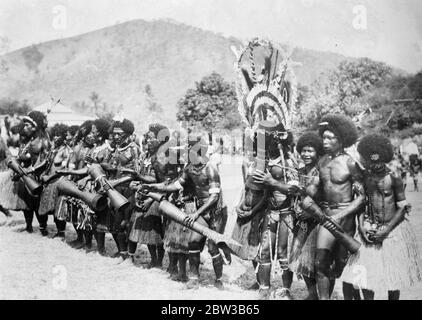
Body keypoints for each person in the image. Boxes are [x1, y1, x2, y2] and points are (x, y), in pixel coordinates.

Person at [341, 134, 422, 299]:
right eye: (372, 162)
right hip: (369, 229)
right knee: (364, 277)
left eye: (379, 162)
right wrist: (361, 226)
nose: (375, 166)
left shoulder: (394, 177)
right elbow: (362, 203)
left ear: (384, 158)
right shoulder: (366, 177)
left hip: (393, 231)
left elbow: (402, 208)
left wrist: (386, 231)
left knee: (393, 278)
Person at [144, 133, 229, 290]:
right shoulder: (190, 168)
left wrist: (196, 213)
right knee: (193, 242)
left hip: (216, 212)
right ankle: (194, 279)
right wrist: (154, 187)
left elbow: (214, 198)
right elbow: (175, 186)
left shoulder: (210, 170)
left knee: (212, 247)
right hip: (203, 212)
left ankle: (218, 280)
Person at [301, 114, 365, 300]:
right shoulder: (322, 162)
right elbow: (313, 189)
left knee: (341, 267)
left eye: (330, 138)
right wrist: (303, 191)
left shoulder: (351, 163)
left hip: (345, 219)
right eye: (324, 137)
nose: (325, 141)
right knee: (320, 263)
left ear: (341, 140)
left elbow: (361, 198)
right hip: (325, 217)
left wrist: (340, 215)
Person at [251, 123, 299, 299]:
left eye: (269, 140)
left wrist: (272, 182)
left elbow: (294, 189)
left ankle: (286, 289)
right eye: (263, 141)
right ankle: (264, 287)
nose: (267, 144)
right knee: (264, 250)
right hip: (269, 212)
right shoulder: (261, 162)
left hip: (287, 213)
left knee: (283, 253)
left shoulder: (288, 161)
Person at [0, 111, 51, 234]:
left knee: (38, 204)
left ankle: (43, 228)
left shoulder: (43, 141)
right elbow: (20, 155)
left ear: (35, 127)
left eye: (27, 125)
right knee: (26, 203)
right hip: (24, 174)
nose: (24, 127)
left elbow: (45, 161)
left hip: (37, 176)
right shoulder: (25, 141)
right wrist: (17, 165)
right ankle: (28, 226)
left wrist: (32, 170)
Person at [288, 132, 324, 300]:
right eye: (303, 150)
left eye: (310, 151)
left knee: (318, 263)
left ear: (318, 151)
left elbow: (325, 199)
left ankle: (321, 295)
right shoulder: (300, 170)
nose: (306, 154)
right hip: (301, 222)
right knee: (301, 259)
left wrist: (310, 214)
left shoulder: (323, 170)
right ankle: (312, 294)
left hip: (318, 222)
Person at [38, 123, 71, 239]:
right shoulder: (53, 149)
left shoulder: (66, 151)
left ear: (63, 136)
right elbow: (48, 164)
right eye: (55, 135)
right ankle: (43, 228)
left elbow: (63, 169)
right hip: (48, 182)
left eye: (58, 135)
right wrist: (44, 174)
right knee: (43, 207)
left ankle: (61, 232)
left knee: (58, 208)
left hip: (58, 182)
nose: (56, 137)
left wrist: (50, 177)